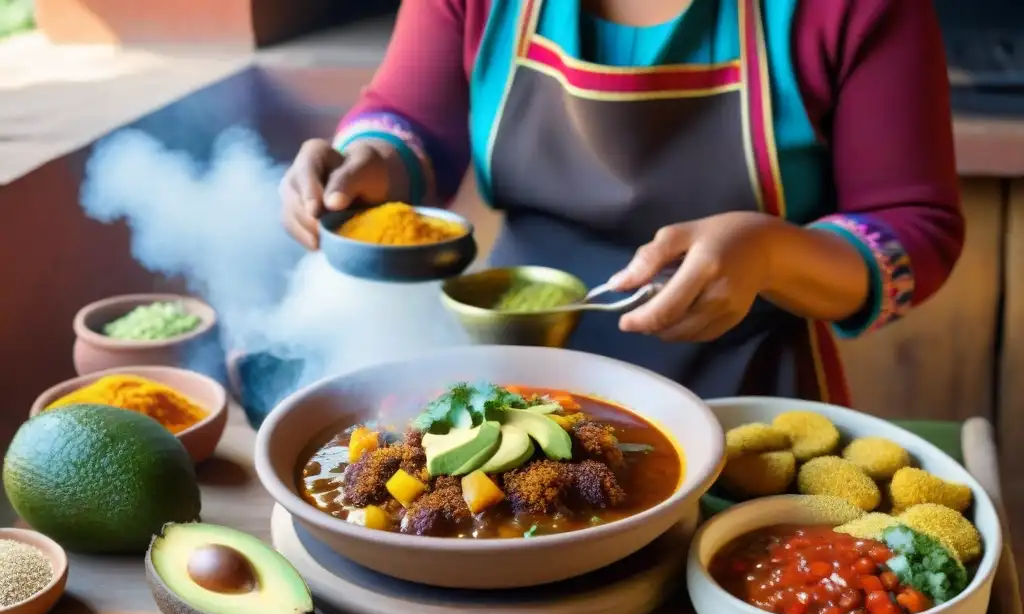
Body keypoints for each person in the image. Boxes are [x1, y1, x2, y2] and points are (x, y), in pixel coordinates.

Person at [280, 0, 963, 405]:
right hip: (508, 381)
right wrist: (368, 164)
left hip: (751, 404)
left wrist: (771, 253)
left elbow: (913, 226)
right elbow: (411, 121)